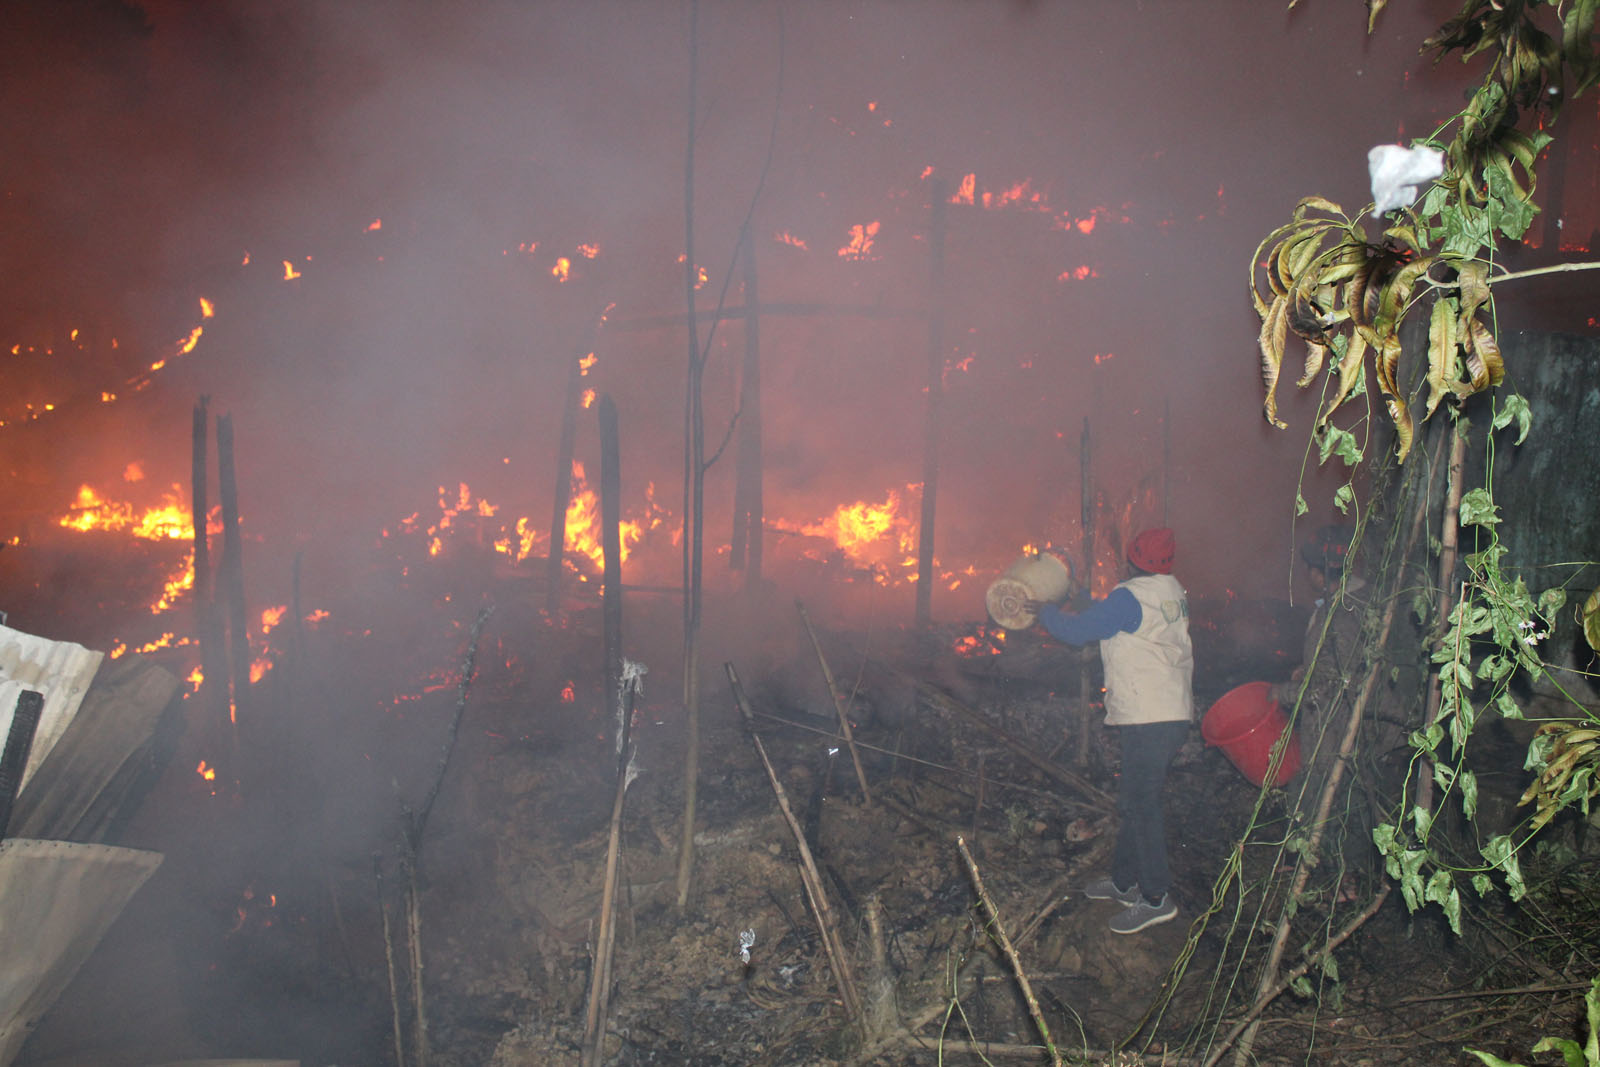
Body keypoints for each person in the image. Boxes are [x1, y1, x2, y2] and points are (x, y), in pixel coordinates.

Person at [1030, 527, 1194, 935]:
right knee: (1133, 799)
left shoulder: (1130, 598)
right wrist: (1083, 598)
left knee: (1142, 804)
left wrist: (1043, 610)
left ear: (1132, 558)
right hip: (1165, 712)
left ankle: (1156, 898)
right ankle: (1124, 883)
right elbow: (1116, 615)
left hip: (1150, 717)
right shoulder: (1170, 589)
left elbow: (1077, 631)